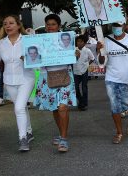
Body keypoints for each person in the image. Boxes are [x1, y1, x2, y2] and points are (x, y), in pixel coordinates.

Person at [0, 15, 35, 151]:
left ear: (18, 25)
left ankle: (23, 139)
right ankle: (29, 131)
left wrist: (27, 57)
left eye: (11, 23)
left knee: (19, 108)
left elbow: (38, 55)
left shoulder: (28, 40)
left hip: (26, 78)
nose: (8, 26)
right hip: (9, 81)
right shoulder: (2, 43)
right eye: (5, 24)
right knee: (21, 107)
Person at [34, 14, 77, 152]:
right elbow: (35, 59)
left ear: (58, 26)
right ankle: (61, 133)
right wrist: (28, 58)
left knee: (62, 108)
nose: (50, 26)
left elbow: (74, 54)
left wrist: (76, 53)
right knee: (54, 108)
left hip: (64, 76)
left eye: (53, 24)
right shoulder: (40, 41)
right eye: (48, 24)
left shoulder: (67, 39)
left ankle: (64, 139)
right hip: (47, 77)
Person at [96, 22, 128, 144]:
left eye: (119, 25)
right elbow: (102, 62)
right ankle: (119, 132)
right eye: (114, 25)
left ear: (123, 26)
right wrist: (99, 51)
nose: (116, 28)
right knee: (114, 106)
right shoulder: (106, 40)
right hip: (112, 79)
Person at [74, 35, 95, 111]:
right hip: (75, 71)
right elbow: (71, 60)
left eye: (81, 41)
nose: (79, 43)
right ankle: (81, 100)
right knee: (75, 88)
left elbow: (92, 58)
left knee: (84, 87)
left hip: (84, 71)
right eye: (78, 41)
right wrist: (76, 56)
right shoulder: (74, 50)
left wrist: (87, 64)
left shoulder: (87, 50)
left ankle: (84, 103)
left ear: (84, 43)